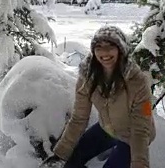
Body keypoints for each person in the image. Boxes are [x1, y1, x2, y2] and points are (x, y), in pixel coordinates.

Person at [42, 25, 156, 168]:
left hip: (132, 135)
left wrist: (140, 163)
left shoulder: (137, 80)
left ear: (121, 50)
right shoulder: (87, 76)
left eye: (110, 46)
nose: (104, 52)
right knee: (71, 160)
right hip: (106, 128)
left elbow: (142, 127)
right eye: (99, 47)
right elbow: (79, 119)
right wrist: (60, 154)